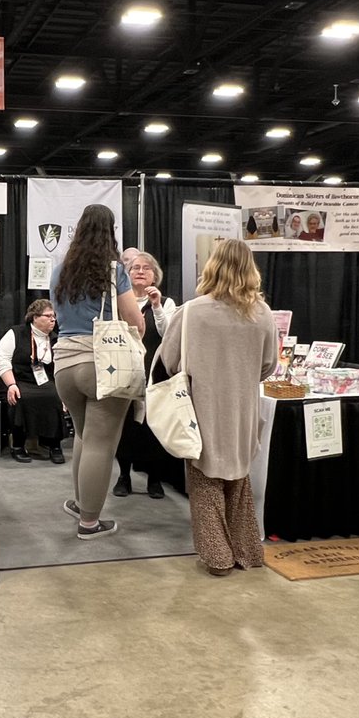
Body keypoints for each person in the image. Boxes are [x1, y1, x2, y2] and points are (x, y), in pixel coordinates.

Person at [157, 239, 277, 576]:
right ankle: (247, 551)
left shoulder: (192, 311)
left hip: (202, 408)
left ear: (212, 266)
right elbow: (269, 365)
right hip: (243, 408)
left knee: (204, 481)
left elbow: (169, 361)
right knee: (238, 482)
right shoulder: (263, 313)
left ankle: (218, 557)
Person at [51, 204, 145, 540]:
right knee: (100, 444)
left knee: (83, 436)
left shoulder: (59, 269)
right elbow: (136, 321)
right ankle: (90, 522)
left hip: (63, 363)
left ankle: (80, 503)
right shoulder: (113, 270)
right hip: (102, 362)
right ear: (110, 231)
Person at [113, 251, 183, 499]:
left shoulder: (168, 303)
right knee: (125, 428)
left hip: (155, 376)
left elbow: (169, 336)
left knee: (155, 428)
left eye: (146, 268)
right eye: (135, 268)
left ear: (155, 275)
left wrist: (156, 306)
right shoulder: (118, 301)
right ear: (127, 274)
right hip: (124, 373)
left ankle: (154, 479)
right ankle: (124, 476)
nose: (140, 271)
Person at [0, 299, 67, 464]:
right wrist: (11, 385)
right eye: (48, 316)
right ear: (34, 317)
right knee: (20, 397)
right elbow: (2, 360)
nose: (53, 320)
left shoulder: (56, 339)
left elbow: (60, 367)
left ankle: (54, 445)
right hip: (16, 378)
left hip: (43, 380)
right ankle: (18, 446)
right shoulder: (16, 333)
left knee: (55, 396)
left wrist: (64, 392)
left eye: (54, 316)